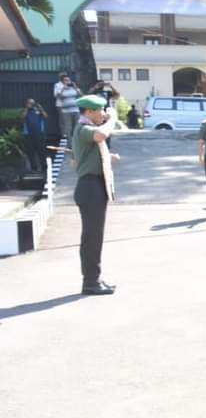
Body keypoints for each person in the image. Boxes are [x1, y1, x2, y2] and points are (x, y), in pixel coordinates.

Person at [72, 94, 117, 295]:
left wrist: (108, 157)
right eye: (100, 110)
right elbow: (100, 135)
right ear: (89, 112)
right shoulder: (84, 128)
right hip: (90, 188)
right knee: (92, 238)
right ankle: (90, 282)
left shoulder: (88, 128)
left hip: (95, 186)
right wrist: (113, 119)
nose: (103, 113)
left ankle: (94, 278)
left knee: (95, 237)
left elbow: (95, 149)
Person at [20, 98, 49, 173]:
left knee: (41, 150)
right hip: (28, 134)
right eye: (30, 103)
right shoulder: (24, 110)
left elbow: (46, 116)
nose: (31, 104)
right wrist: (27, 108)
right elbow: (22, 117)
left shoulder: (38, 110)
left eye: (33, 103)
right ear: (26, 103)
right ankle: (34, 168)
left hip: (39, 133)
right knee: (31, 152)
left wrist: (41, 109)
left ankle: (44, 167)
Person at [54, 72, 81, 143]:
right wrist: (63, 88)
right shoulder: (61, 88)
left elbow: (80, 95)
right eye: (65, 80)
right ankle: (70, 143)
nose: (67, 81)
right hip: (66, 111)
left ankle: (77, 141)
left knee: (77, 125)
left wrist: (75, 87)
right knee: (68, 127)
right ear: (63, 82)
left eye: (68, 80)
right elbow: (59, 97)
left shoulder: (73, 88)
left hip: (76, 110)